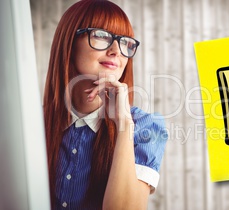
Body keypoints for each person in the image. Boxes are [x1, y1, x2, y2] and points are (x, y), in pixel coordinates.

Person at [42, 0, 168, 209]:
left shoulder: (146, 126)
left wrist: (124, 125)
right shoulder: (31, 123)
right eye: (101, 36)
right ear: (69, 43)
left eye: (125, 42)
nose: (116, 51)